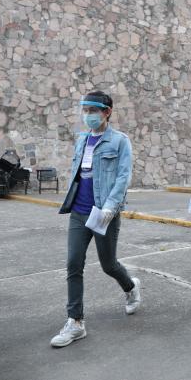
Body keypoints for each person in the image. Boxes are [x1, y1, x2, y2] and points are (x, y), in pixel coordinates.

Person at [52, 91, 140, 348]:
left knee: (108, 264)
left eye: (93, 110)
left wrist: (111, 207)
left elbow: (123, 176)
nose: (88, 115)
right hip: (79, 212)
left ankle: (130, 287)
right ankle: (76, 322)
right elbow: (79, 173)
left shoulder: (120, 141)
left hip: (104, 213)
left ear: (107, 112)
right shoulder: (82, 139)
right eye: (85, 110)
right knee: (73, 264)